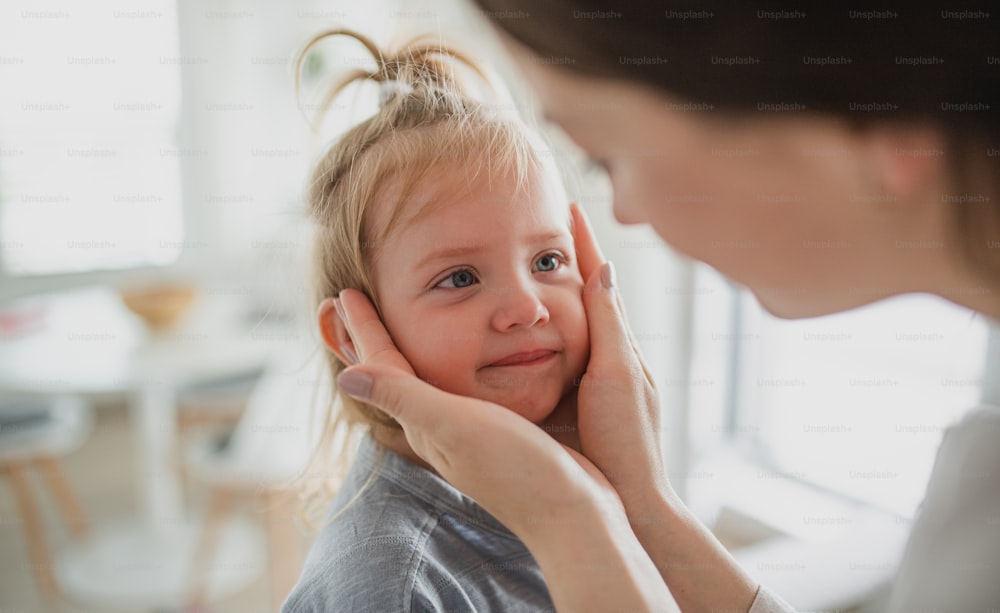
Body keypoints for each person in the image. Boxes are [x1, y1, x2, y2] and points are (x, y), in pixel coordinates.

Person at [329, 4, 1000, 613]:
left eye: (606, 154)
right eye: (459, 276)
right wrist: (641, 504)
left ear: (875, 112)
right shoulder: (390, 582)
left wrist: (576, 518)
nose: (624, 212)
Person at [282, 29, 674, 612]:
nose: (528, 307)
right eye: (460, 278)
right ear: (353, 335)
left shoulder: (599, 477)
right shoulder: (392, 585)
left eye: (548, 260)